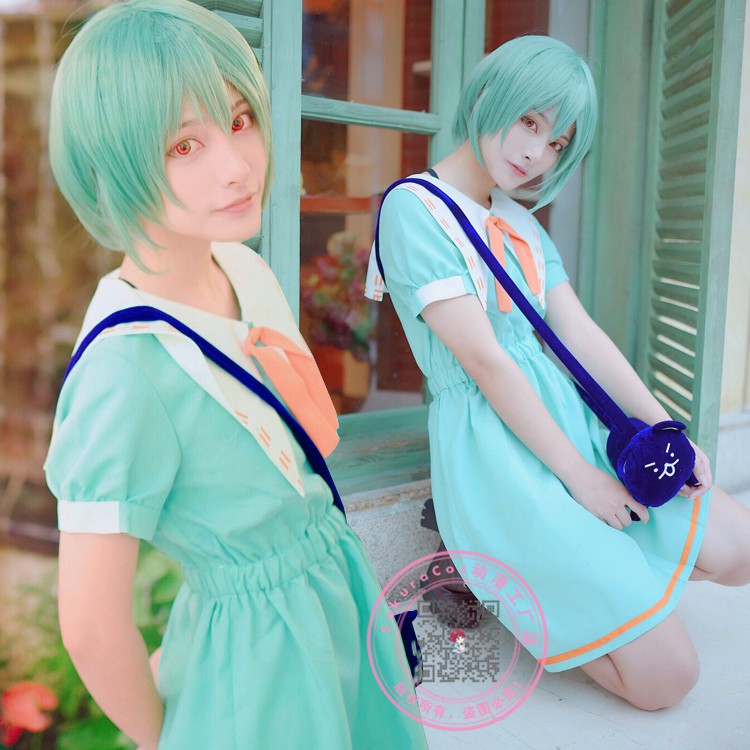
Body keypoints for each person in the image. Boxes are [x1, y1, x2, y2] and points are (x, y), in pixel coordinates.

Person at [45, 2, 429, 748]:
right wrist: (171, 733)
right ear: (111, 165)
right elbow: (90, 625)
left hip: (335, 597)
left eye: (240, 120)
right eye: (184, 145)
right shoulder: (123, 369)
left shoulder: (242, 267)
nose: (236, 165)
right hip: (258, 666)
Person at [366, 35, 750, 711]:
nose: (536, 152)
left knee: (739, 547)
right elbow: (485, 361)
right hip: (499, 457)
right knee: (667, 680)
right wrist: (581, 479)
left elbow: (580, 334)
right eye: (529, 121)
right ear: (488, 95)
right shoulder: (413, 209)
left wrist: (666, 427)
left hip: (571, 423)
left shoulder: (516, 218)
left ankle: (611, 596)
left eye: (557, 141)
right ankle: (538, 598)